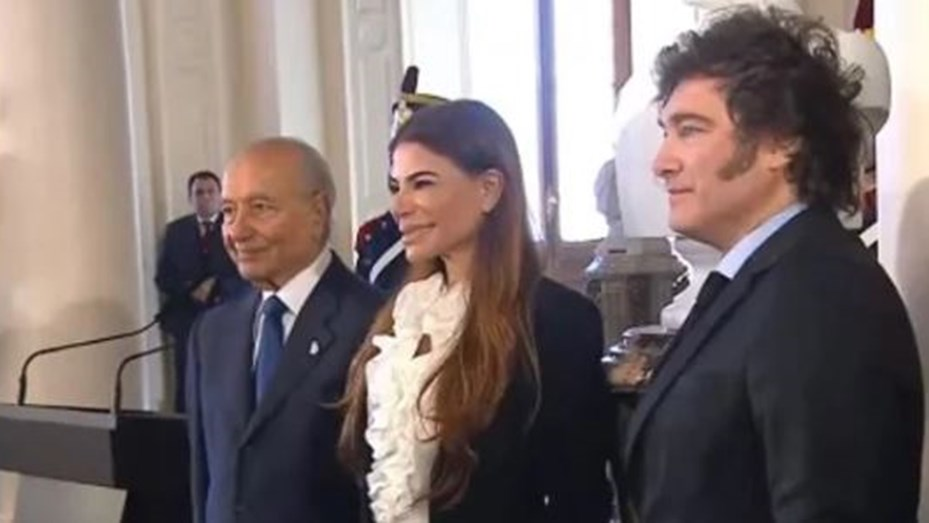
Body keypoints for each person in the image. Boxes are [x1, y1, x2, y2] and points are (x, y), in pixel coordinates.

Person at [622, 6, 924, 522]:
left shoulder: (825, 297)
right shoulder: (761, 278)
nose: (661, 162)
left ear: (781, 143)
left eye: (690, 130)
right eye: (664, 131)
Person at [338, 100, 613, 522]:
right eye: (397, 186)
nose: (400, 206)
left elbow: (577, 499)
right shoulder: (400, 315)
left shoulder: (556, 322)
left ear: (488, 189)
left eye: (422, 183)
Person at [186, 137, 382, 523]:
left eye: (260, 208)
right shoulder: (211, 332)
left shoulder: (375, 324)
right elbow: (206, 480)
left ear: (318, 213)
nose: (237, 231)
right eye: (229, 211)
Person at [155, 170, 247, 412]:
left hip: (227, 320)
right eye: (199, 193)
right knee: (187, 386)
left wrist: (216, 286)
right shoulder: (177, 231)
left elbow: (247, 274)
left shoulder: (236, 227)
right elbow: (164, 277)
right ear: (190, 198)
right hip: (187, 321)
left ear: (220, 196)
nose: (205, 198)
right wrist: (189, 290)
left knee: (225, 386)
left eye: (210, 192)